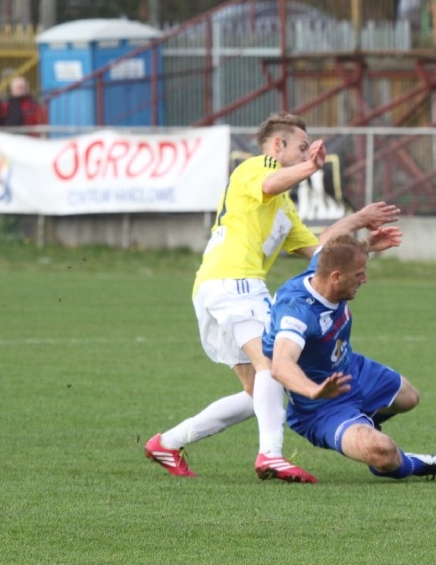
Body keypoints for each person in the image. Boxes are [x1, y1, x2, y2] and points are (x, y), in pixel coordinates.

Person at [145, 112, 400, 483]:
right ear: (277, 145)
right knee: (273, 366)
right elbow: (270, 182)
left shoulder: (283, 207)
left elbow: (320, 251)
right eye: (301, 147)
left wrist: (360, 228)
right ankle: (271, 455)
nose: (305, 154)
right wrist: (311, 167)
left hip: (217, 287)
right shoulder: (256, 166)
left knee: (257, 393)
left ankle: (166, 443)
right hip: (236, 282)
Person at [262, 234, 436, 480]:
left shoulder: (322, 266)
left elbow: (331, 239)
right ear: (336, 277)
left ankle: (366, 425)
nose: (365, 279)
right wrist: (313, 390)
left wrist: (365, 239)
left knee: (409, 397)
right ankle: (414, 464)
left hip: (352, 370)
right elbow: (281, 365)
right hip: (322, 407)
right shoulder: (298, 313)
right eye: (359, 274)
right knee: (383, 452)